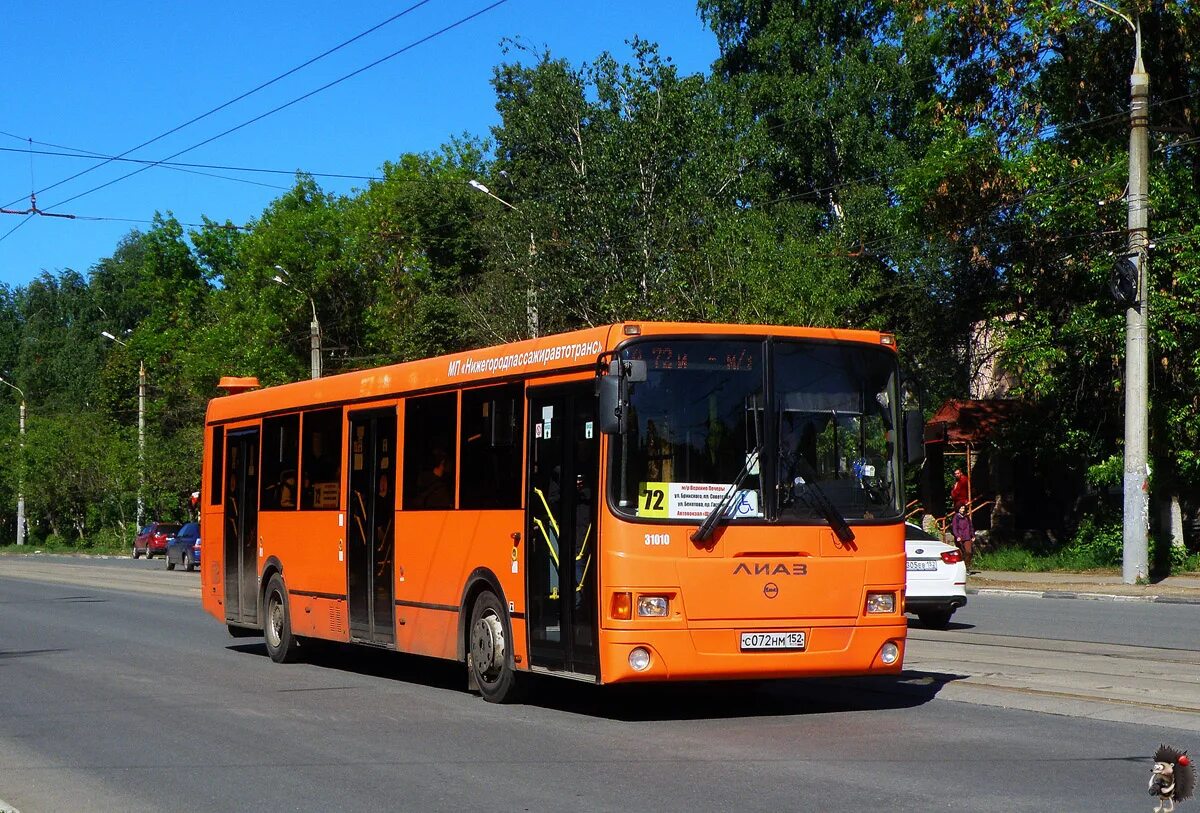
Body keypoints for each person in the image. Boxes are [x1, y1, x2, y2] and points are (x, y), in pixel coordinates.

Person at [951, 502, 975, 572]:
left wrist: (973, 535)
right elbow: (955, 528)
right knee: (961, 553)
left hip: (967, 536)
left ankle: (966, 567)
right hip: (960, 537)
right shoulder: (956, 517)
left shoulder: (966, 517)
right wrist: (957, 536)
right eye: (961, 508)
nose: (962, 509)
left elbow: (971, 526)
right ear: (958, 509)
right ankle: (960, 568)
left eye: (963, 508)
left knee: (969, 552)